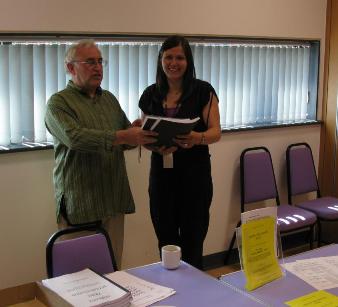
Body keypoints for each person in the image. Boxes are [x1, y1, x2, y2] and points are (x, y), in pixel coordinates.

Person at [45, 39, 157, 268]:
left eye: (100, 62)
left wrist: (136, 131)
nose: (98, 67)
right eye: (90, 62)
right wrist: (124, 135)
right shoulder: (58, 103)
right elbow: (75, 138)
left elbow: (124, 140)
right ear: (70, 67)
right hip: (81, 203)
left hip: (112, 199)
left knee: (112, 269)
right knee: (80, 278)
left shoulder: (109, 100)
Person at [139, 35, 221, 269]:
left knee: (193, 240)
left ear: (188, 61)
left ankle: (194, 297)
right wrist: (153, 145)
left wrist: (197, 137)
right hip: (161, 178)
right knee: (166, 240)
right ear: (160, 60)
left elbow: (216, 132)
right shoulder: (150, 94)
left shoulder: (203, 91)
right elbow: (145, 137)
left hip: (195, 178)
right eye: (168, 57)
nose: (173, 63)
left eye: (179, 57)